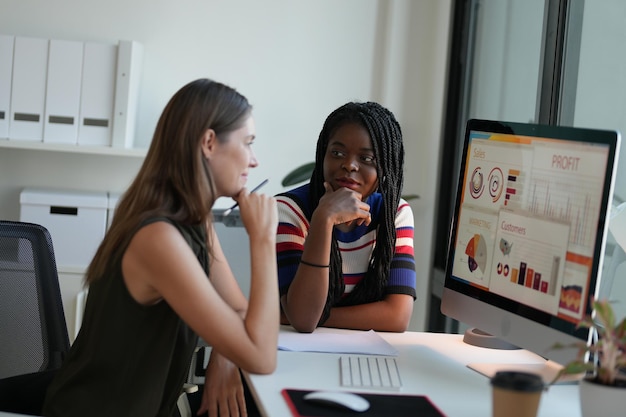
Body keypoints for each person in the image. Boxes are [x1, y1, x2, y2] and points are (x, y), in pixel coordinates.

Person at [41, 78, 279, 417]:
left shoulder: (195, 220)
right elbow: (262, 357)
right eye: (248, 143)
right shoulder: (159, 239)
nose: (254, 161)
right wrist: (264, 239)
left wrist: (224, 361)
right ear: (209, 142)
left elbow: (238, 311)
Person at [276, 101, 416, 333]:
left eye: (367, 159)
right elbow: (302, 320)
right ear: (323, 154)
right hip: (296, 355)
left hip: (365, 357)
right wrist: (323, 219)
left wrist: (304, 315)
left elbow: (397, 317)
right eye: (337, 153)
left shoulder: (396, 215)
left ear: (386, 166)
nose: (349, 165)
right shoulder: (288, 210)